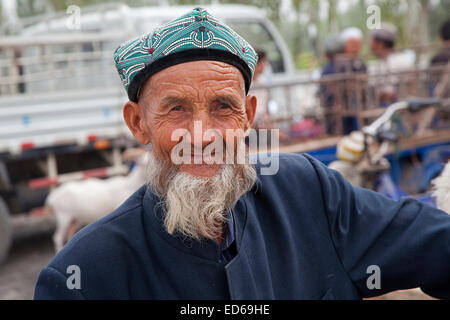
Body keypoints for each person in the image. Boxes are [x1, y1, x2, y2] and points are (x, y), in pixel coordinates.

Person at [34, 8, 450, 300]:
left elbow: (435, 243)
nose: (202, 135)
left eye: (222, 107)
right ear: (137, 123)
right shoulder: (86, 274)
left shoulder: (309, 193)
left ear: (248, 116)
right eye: (176, 108)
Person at [369, 23, 414, 106]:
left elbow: (389, 94)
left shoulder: (393, 63)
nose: (370, 46)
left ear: (380, 44)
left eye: (372, 41)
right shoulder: (395, 59)